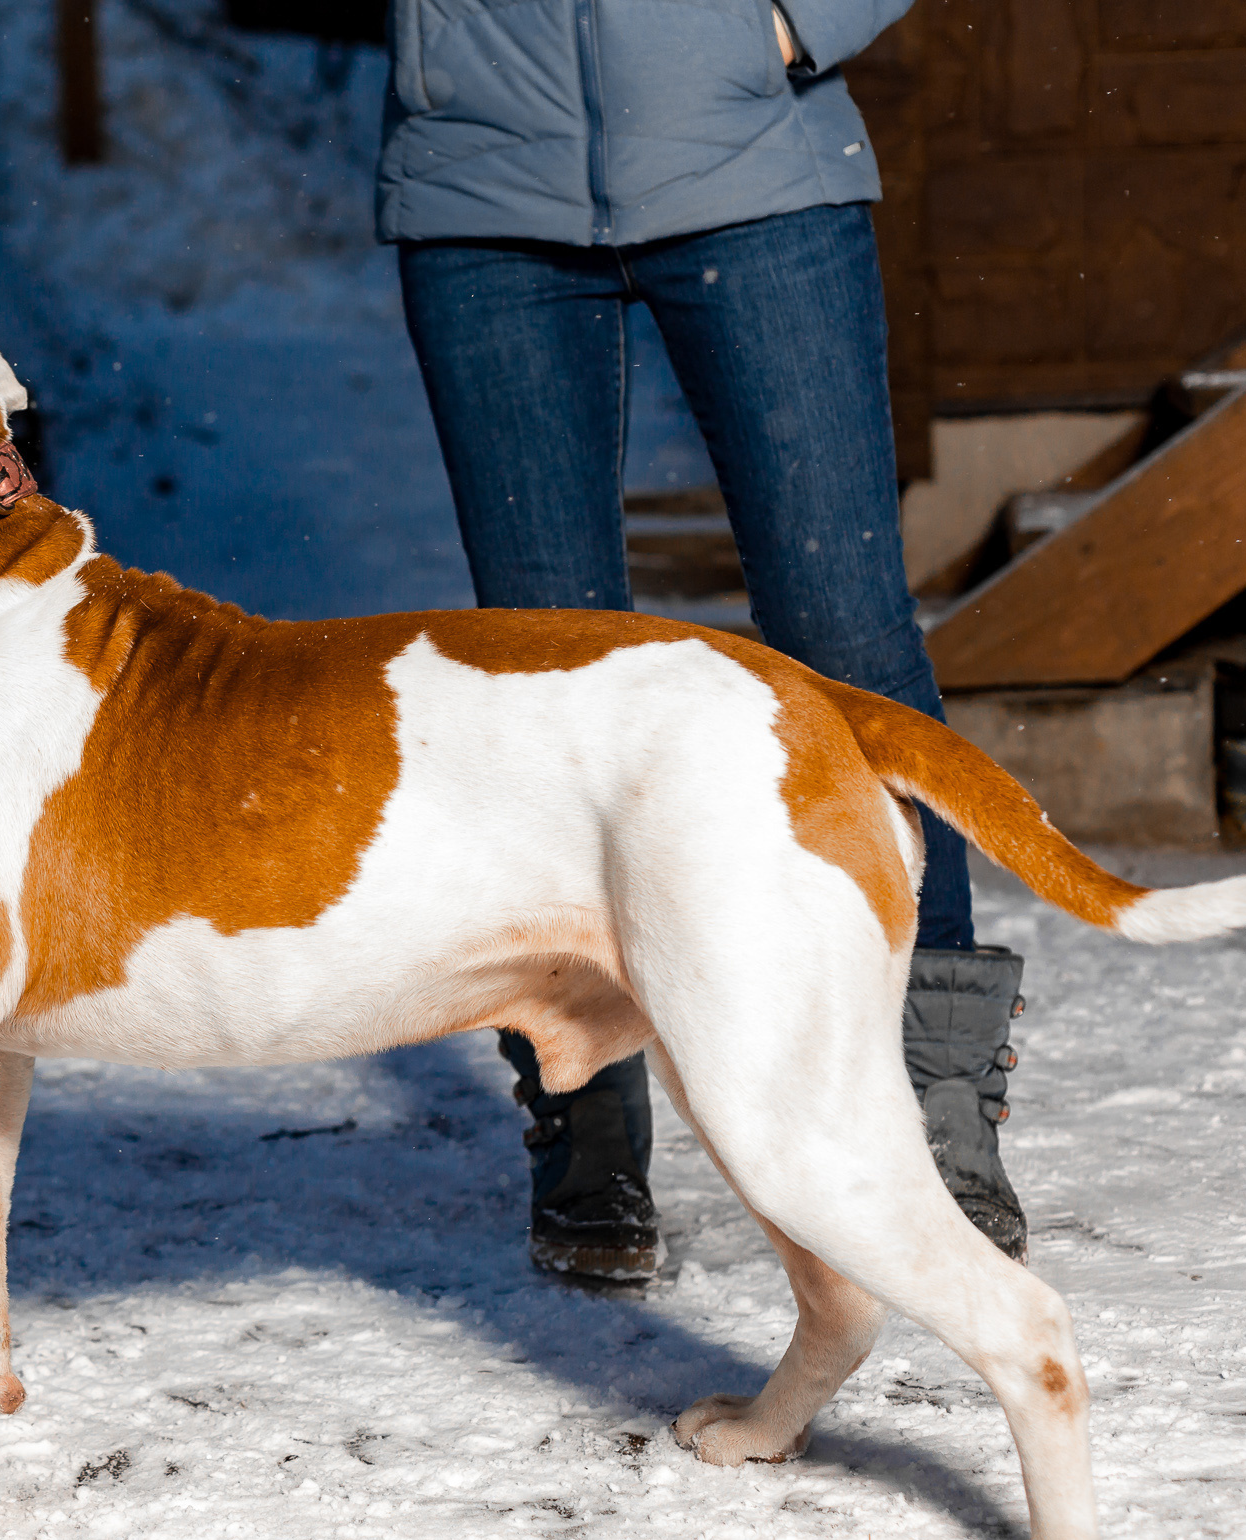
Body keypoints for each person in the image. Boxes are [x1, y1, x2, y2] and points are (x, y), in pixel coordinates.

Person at [380, 0, 1029, 1278]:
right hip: (482, 187)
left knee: (844, 635)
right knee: (541, 679)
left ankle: (939, 1085)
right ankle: (585, 1112)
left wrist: (783, 25)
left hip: (752, 163)